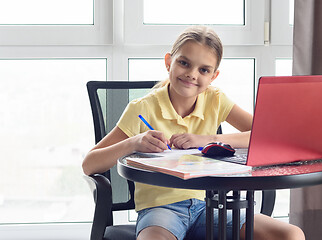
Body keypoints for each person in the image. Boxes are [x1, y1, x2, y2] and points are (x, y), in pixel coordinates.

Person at [82, 26, 305, 240]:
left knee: (290, 235)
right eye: (184, 63)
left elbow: (267, 135)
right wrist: (133, 142)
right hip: (160, 212)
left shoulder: (215, 100)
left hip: (210, 207)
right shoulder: (142, 108)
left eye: (203, 70)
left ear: (213, 77)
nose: (191, 74)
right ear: (169, 62)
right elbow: (89, 164)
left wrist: (210, 139)